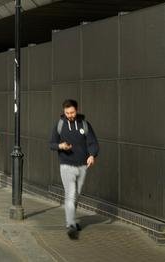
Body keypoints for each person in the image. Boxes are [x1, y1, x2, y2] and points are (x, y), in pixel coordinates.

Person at [49, 99, 99, 240]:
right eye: (67, 113)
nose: (70, 115)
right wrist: (60, 146)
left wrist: (92, 155)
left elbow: (93, 143)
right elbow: (51, 143)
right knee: (70, 194)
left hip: (82, 166)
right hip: (66, 165)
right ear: (64, 112)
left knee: (76, 195)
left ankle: (71, 220)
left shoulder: (85, 125)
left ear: (76, 110)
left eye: (72, 112)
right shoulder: (60, 125)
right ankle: (71, 224)